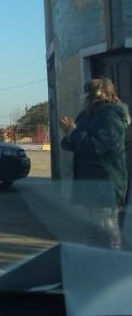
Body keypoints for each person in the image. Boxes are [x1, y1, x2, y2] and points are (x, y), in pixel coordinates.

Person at [60, 78, 130, 250]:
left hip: (105, 184)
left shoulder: (112, 115)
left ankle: (113, 267)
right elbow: (67, 144)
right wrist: (70, 134)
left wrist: (73, 131)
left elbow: (96, 145)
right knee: (92, 231)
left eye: (87, 92)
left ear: (98, 93)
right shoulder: (87, 115)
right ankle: (96, 263)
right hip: (88, 183)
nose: (84, 96)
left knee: (108, 231)